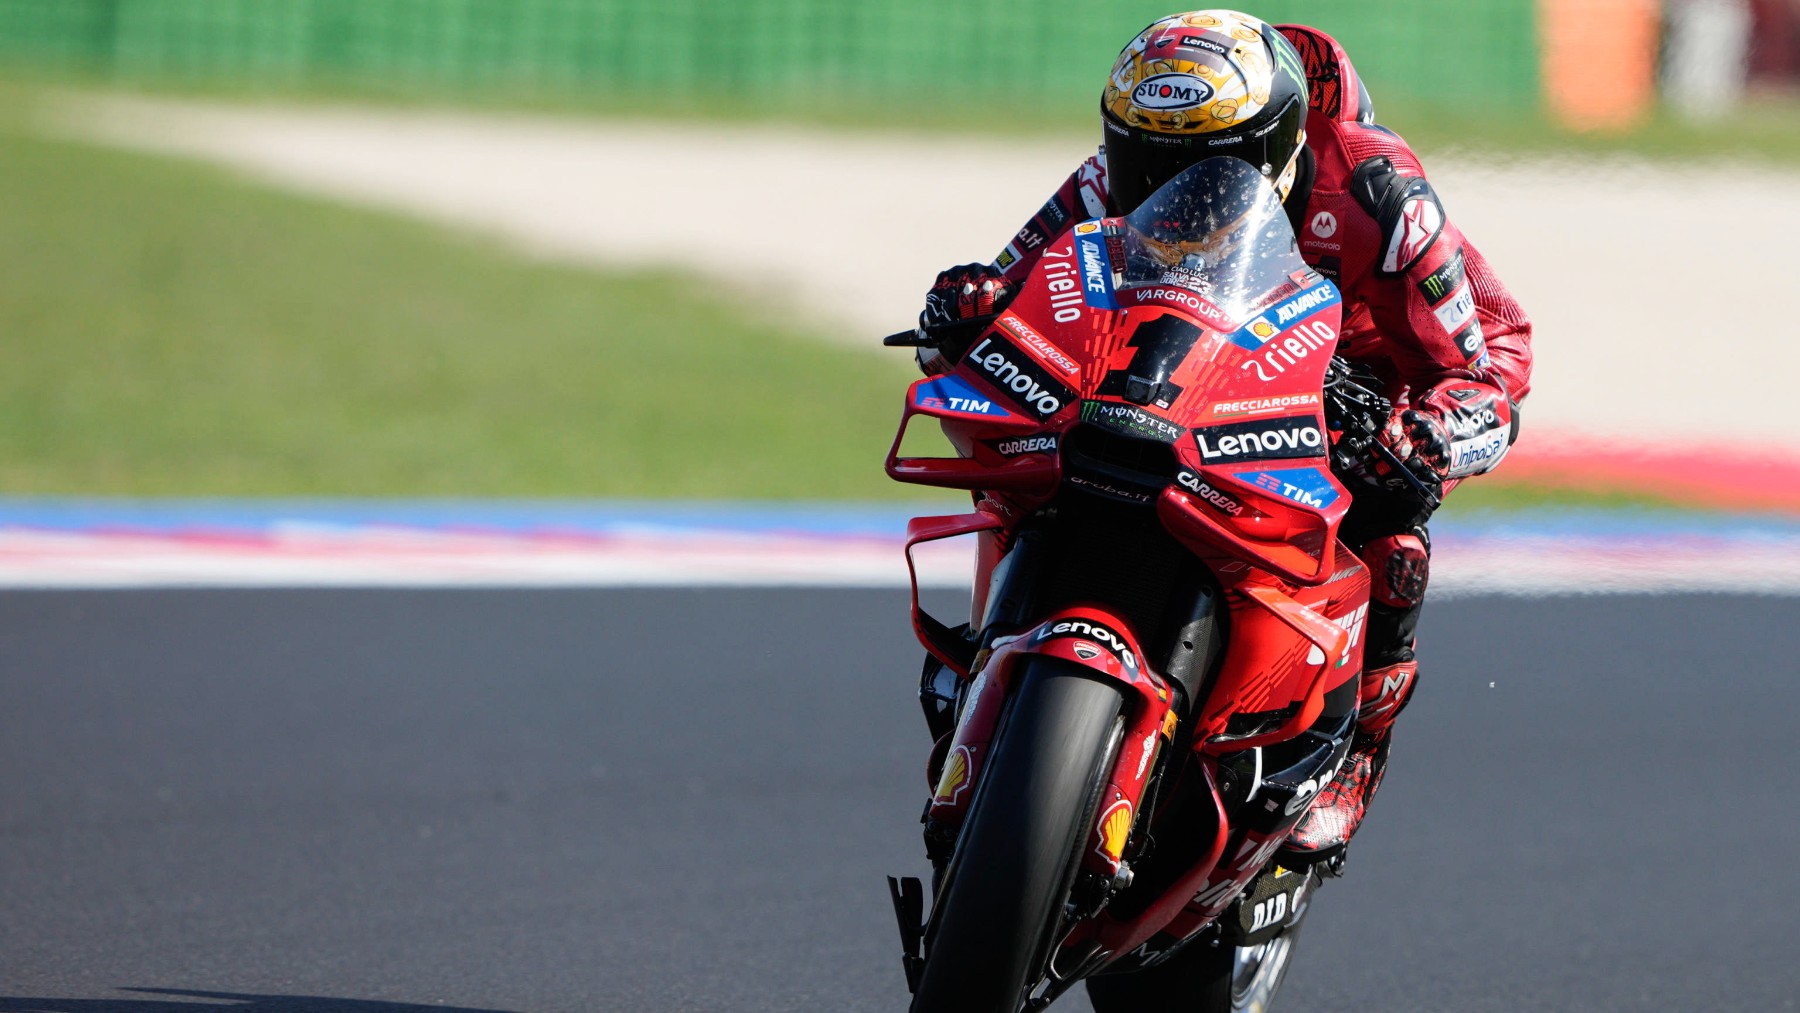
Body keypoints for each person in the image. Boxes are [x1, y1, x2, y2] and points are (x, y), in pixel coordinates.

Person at [916, 9, 1532, 865]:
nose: (1173, 184)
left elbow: (1481, 375)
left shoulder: (1375, 189)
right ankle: (997, 640)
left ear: (1277, 148)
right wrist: (969, 303)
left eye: (1211, 163)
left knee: (1391, 529)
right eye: (1148, 159)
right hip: (1186, 345)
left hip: (1367, 368)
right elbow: (1019, 275)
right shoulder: (1106, 176)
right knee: (1036, 434)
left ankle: (1354, 755)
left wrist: (1427, 431)